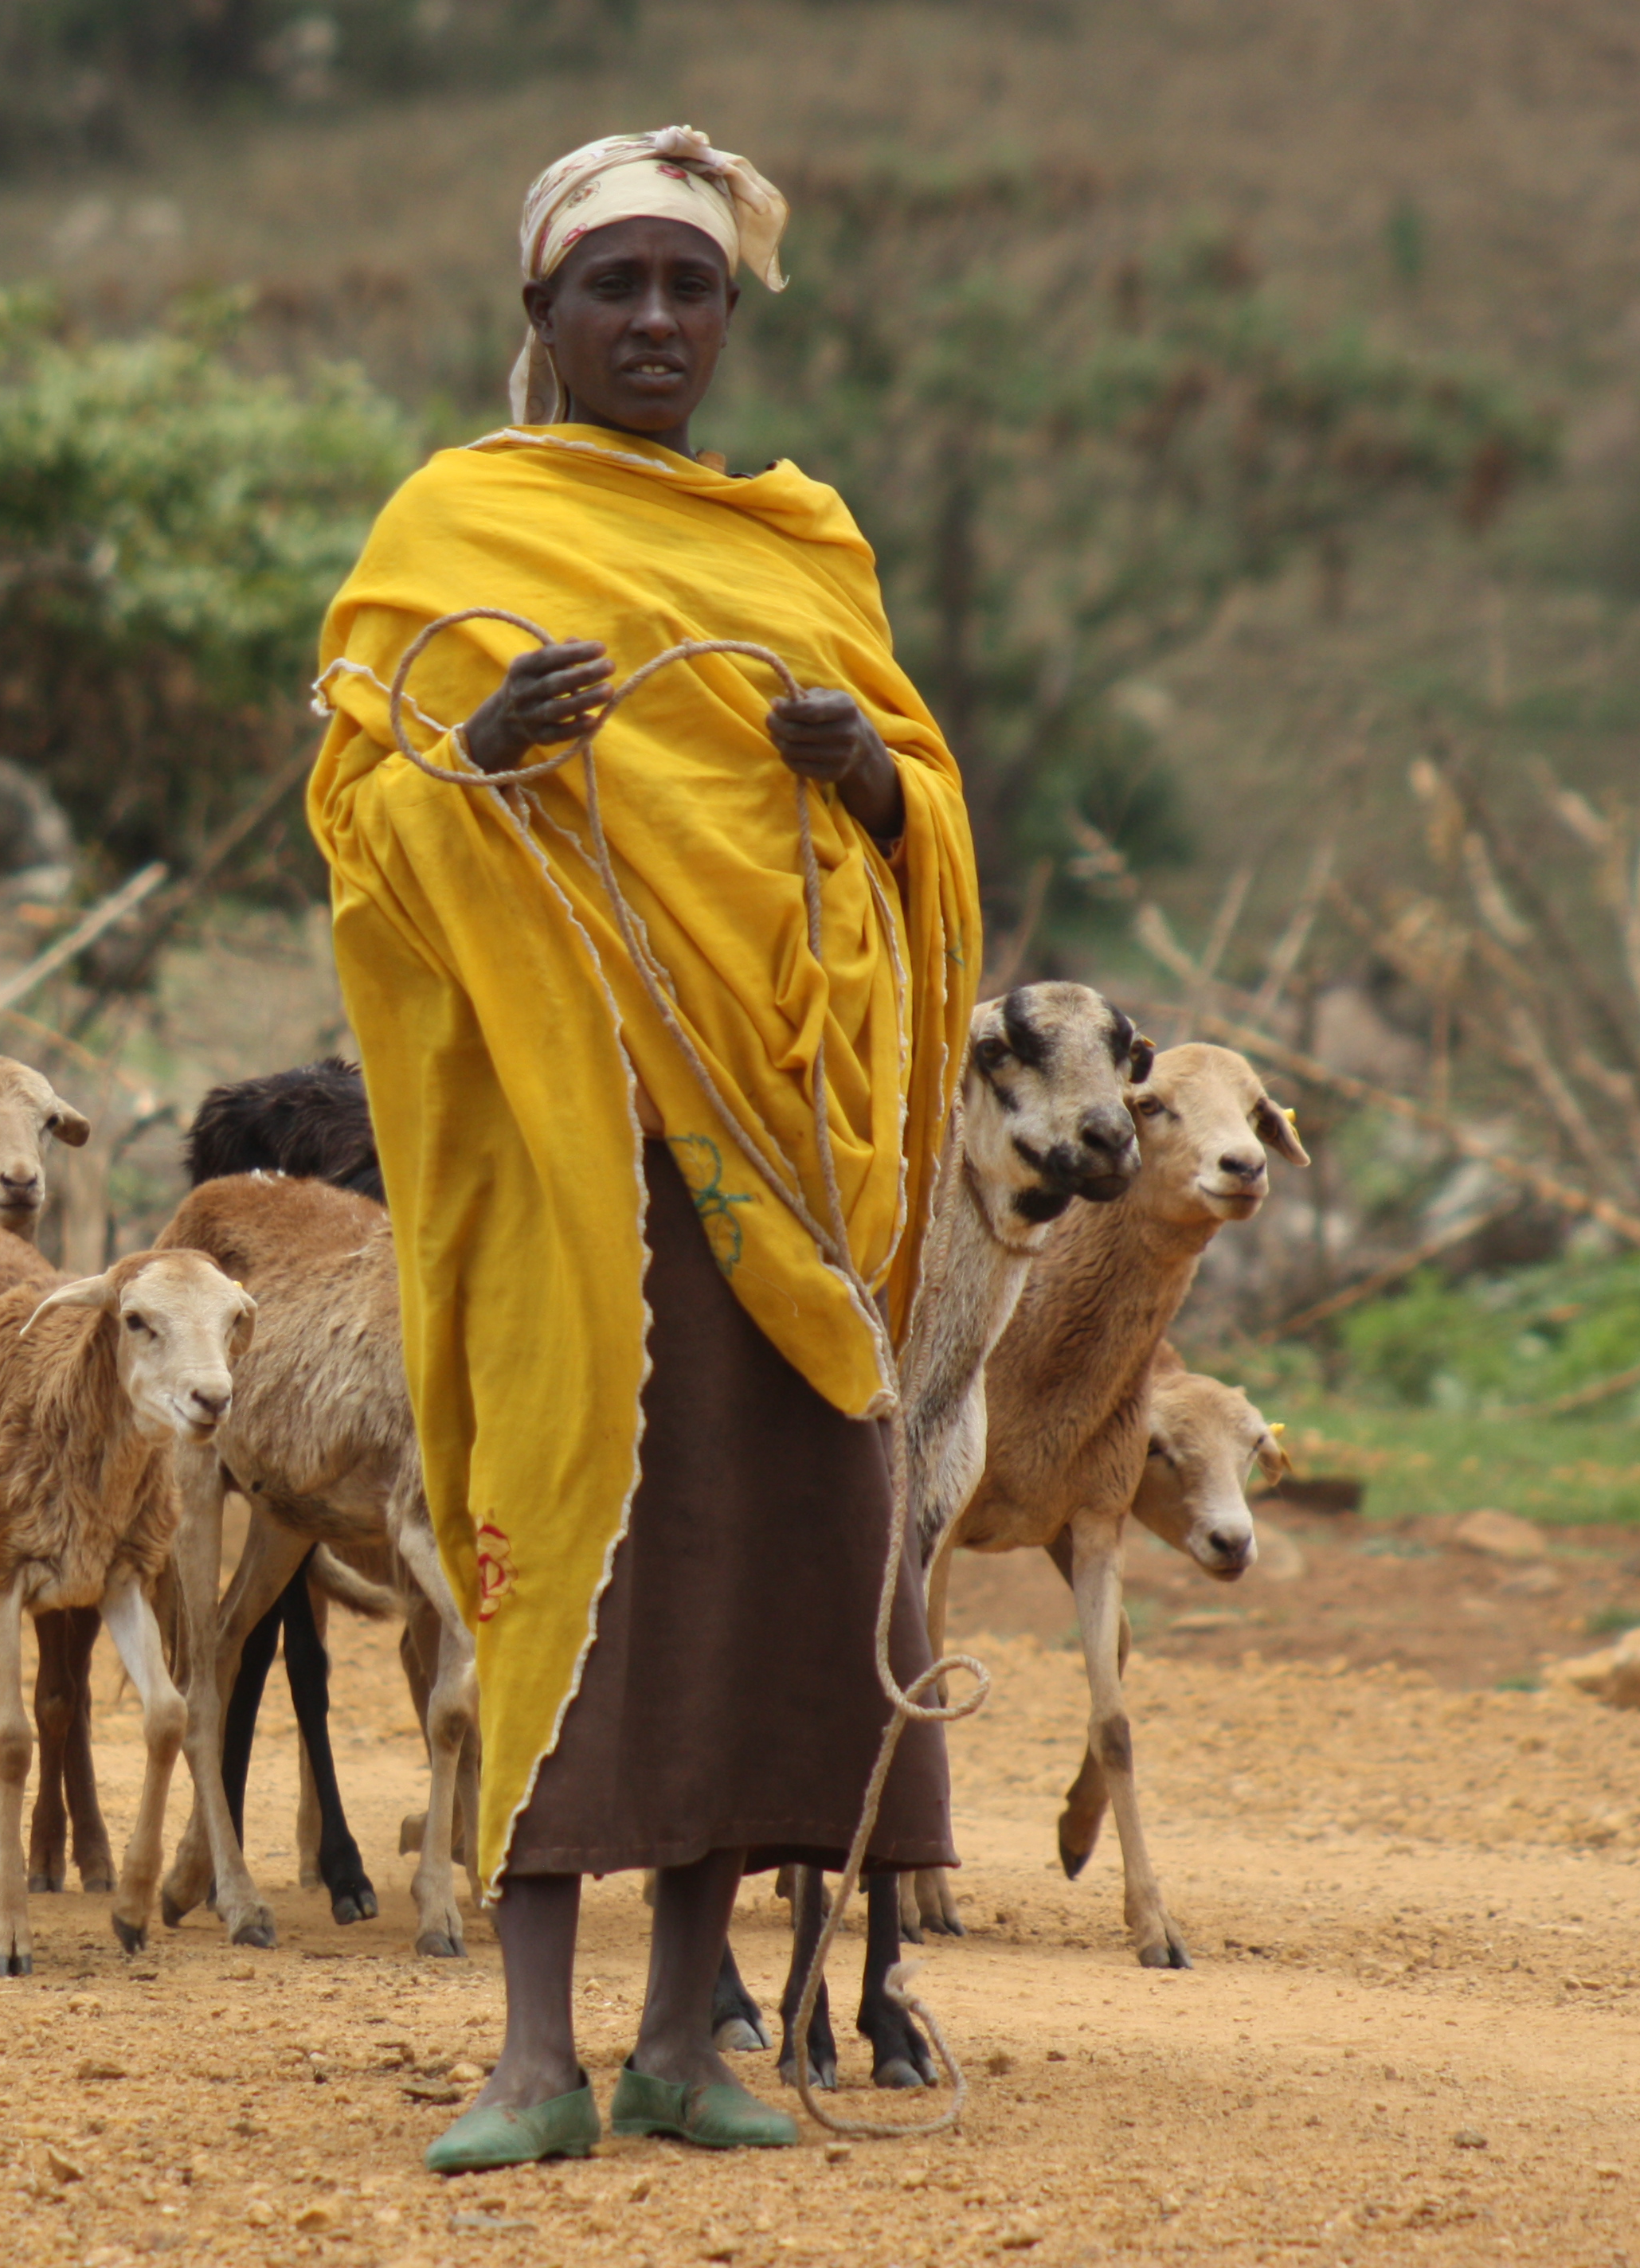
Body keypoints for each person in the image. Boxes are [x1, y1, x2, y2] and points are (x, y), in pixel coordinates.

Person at [305, 128, 982, 2170]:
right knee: (560, 1546)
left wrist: (869, 778)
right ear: (543, 317)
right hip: (563, 1143)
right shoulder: (454, 526)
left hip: (776, 1159)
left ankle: (692, 2034)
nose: (660, 323)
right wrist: (480, 751)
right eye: (617, 288)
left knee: (755, 1567)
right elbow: (358, 807)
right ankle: (531, 2054)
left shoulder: (801, 548)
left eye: (691, 287)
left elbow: (927, 823)